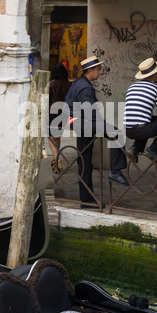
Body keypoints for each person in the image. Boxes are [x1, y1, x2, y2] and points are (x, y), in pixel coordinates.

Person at [65, 55, 128, 209]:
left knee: (84, 162)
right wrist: (104, 126)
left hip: (77, 122)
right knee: (117, 133)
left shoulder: (78, 83)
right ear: (90, 70)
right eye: (98, 69)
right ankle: (115, 171)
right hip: (82, 123)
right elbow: (91, 113)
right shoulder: (85, 87)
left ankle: (87, 201)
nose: (100, 72)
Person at [123, 57, 157, 167]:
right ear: (154, 74)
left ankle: (135, 148)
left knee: (149, 121)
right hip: (142, 130)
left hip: (128, 130)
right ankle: (153, 150)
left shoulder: (131, 87)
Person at [48, 62, 70, 172]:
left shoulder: (51, 84)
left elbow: (47, 100)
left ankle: (56, 159)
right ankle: (55, 159)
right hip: (64, 113)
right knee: (57, 137)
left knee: (51, 137)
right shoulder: (68, 84)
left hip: (53, 113)